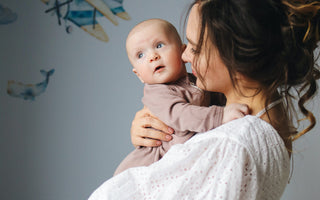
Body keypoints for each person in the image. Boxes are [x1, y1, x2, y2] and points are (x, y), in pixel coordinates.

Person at [89, 0, 320, 199]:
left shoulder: (232, 144)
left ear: (235, 58)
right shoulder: (268, 116)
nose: (185, 56)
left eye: (195, 48)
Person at [113, 18, 249, 176]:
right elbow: (182, 115)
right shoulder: (157, 93)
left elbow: (216, 100)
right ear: (139, 75)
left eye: (159, 45)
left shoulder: (195, 81)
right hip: (149, 166)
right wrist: (221, 115)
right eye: (141, 54)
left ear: (182, 52)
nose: (152, 56)